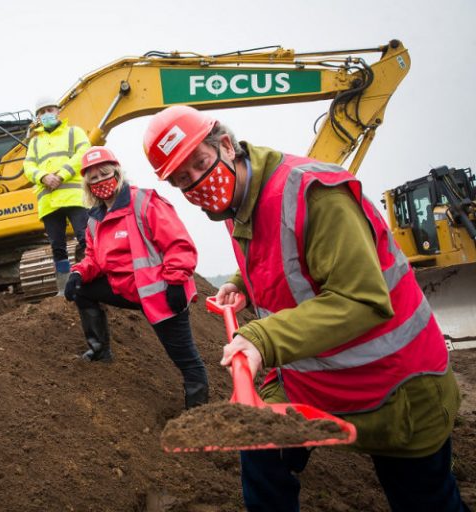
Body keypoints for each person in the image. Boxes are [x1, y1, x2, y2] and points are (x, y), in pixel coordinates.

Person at [143, 105, 469, 511]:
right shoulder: (233, 202)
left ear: (226, 145)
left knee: (423, 500)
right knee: (261, 447)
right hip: (317, 382)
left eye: (199, 165)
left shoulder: (316, 194)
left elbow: (361, 300)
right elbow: (279, 252)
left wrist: (263, 337)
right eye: (181, 180)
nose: (196, 184)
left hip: (395, 388)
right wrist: (239, 282)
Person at [64, 146, 209, 409]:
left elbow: (179, 244)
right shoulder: (95, 219)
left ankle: (199, 414)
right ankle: (99, 351)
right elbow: (94, 259)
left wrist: (176, 282)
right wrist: (78, 273)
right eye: (93, 179)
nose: (100, 182)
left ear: (117, 173)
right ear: (87, 185)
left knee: (186, 360)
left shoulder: (144, 202)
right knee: (84, 290)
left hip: (161, 294)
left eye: (104, 174)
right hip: (126, 290)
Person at [23, 96, 90, 294]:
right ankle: (64, 289)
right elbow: (28, 166)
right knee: (57, 247)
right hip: (49, 202)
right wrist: (43, 177)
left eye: (49, 110)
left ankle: (94, 277)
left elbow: (83, 153)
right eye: (42, 112)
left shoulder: (74, 132)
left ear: (58, 111)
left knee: (86, 238)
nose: (46, 115)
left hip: (74, 197)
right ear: (37, 118)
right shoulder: (34, 143)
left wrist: (61, 175)